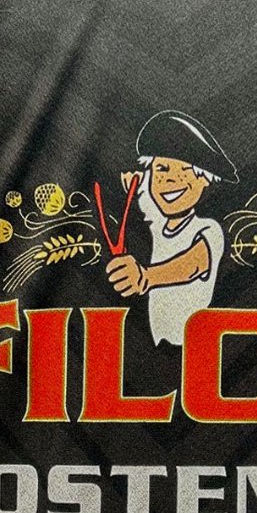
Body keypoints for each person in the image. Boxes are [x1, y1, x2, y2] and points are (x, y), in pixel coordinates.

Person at [105, 109, 238, 346]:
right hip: (157, 348)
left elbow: (192, 264)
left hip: (193, 349)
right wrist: (135, 184)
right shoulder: (159, 222)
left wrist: (145, 277)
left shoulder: (209, 230)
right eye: (162, 169)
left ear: (204, 179)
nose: (170, 179)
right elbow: (146, 195)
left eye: (185, 170)